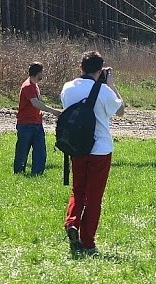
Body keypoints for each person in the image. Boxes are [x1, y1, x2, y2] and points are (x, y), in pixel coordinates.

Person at [60, 51, 125, 256]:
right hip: (100, 149)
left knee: (78, 190)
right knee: (94, 197)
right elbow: (121, 110)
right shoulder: (105, 91)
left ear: (81, 67)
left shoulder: (68, 88)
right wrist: (111, 84)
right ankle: (88, 242)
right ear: (100, 70)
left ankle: (72, 222)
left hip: (77, 147)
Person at [14, 62, 61, 176]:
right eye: (42, 72)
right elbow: (35, 103)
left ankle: (38, 173)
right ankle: (19, 172)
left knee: (40, 151)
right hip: (26, 124)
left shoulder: (34, 85)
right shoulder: (28, 86)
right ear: (39, 73)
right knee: (22, 151)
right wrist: (53, 111)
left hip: (36, 123)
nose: (42, 75)